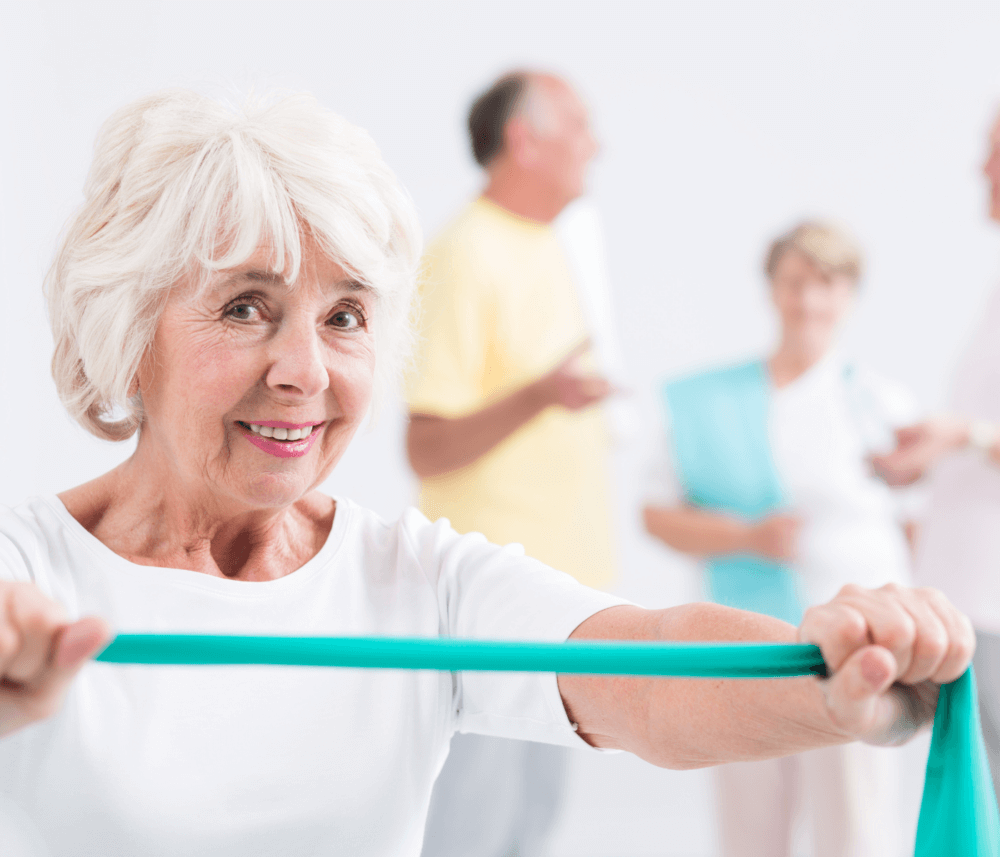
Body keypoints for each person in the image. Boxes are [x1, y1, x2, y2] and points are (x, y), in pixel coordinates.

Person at [0, 89, 976, 857]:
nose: (306, 371)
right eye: (246, 306)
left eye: (345, 317)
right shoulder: (24, 573)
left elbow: (647, 669)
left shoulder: (417, 579)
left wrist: (828, 677)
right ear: (128, 331)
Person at [643, 222, 922, 857]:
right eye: (794, 282)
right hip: (748, 643)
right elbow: (656, 515)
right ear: (771, 290)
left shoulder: (883, 405)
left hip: (860, 652)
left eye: (827, 283)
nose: (809, 300)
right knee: (750, 829)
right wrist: (746, 535)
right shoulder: (706, 404)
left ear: (851, 294)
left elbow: (917, 528)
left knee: (855, 827)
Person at [405, 72, 618, 856]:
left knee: (530, 822)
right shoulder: (464, 254)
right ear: (524, 141)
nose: (596, 144)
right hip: (495, 599)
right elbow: (424, 442)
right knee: (471, 824)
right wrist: (538, 397)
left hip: (567, 598)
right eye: (579, 125)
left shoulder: (557, 248)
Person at [872, 110, 1000, 801]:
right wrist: (934, 454)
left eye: (995, 153)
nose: (982, 169)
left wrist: (962, 436)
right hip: (962, 599)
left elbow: (980, 433)